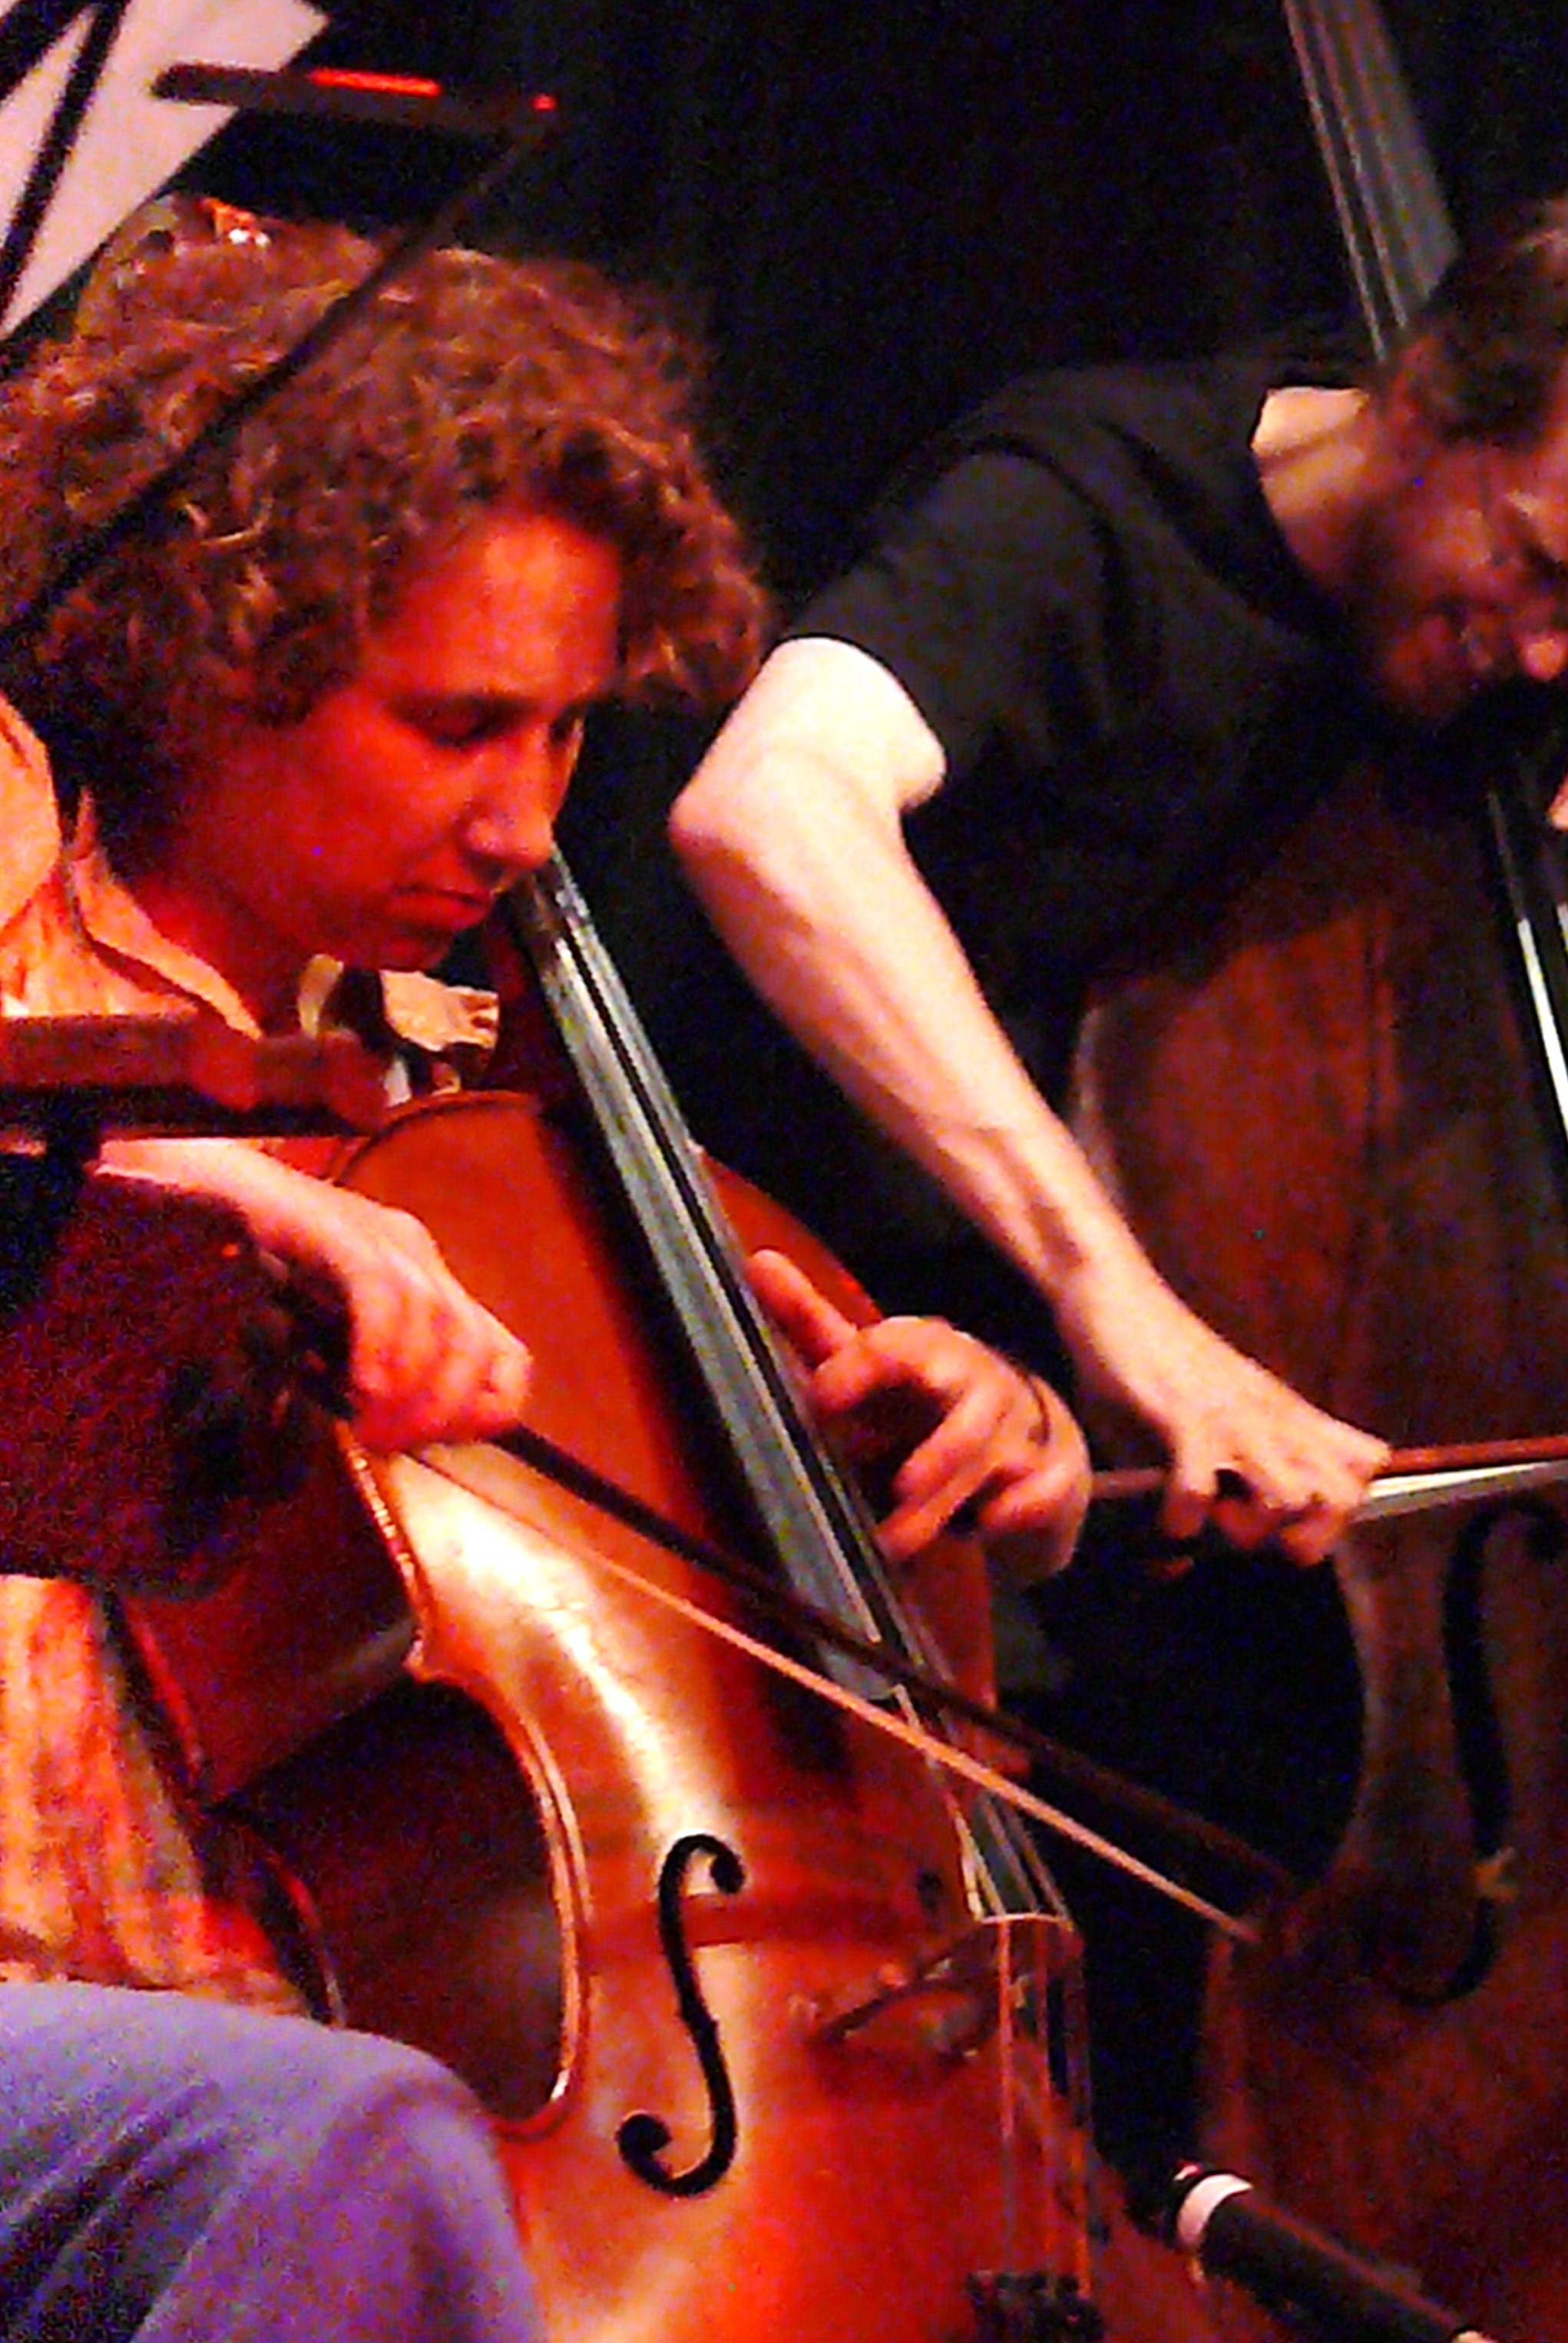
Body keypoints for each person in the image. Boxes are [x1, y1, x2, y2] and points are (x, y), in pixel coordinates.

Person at [664, 174, 1568, 2182]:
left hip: (1257, 1515)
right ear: (1421, 401)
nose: (1549, 651)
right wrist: (1116, 1299)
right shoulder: (1085, 511)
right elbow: (763, 808)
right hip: (865, 1389)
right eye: (1533, 573)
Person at [0, 197, 1092, 2338]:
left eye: (569, 734)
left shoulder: (499, 1122)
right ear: (213, 663)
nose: (526, 825)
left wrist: (951, 1438)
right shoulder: (25, 923)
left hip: (429, 2104)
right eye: (457, 726)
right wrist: (183, 1185)